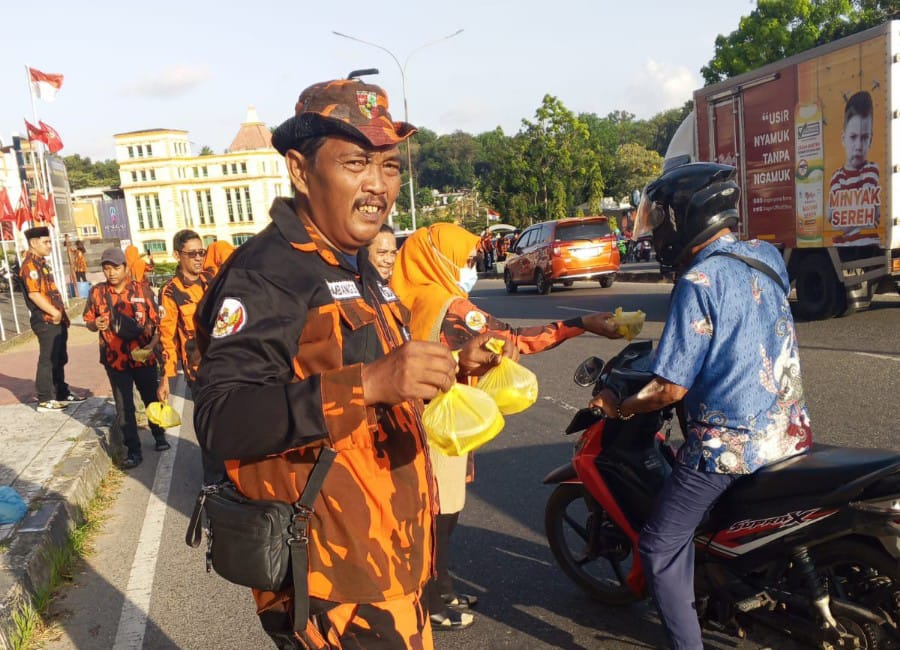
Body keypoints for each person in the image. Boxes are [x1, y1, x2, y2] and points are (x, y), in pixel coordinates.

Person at [192, 78, 501, 649]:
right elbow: (221, 417)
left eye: (389, 166)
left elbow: (370, 375)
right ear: (300, 169)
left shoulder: (353, 261)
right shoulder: (269, 272)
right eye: (357, 162)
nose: (378, 186)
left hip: (390, 556)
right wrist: (373, 382)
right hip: (331, 579)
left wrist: (448, 368)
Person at [588, 162, 813, 650]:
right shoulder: (765, 255)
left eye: (662, 222)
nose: (658, 234)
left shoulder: (697, 283)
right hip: (789, 429)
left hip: (727, 448)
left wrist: (621, 406)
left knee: (659, 545)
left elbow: (668, 391)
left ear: (685, 218)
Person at [391, 222, 623, 631]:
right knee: (442, 515)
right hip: (443, 424)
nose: (468, 268)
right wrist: (581, 323)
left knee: (429, 513)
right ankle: (434, 599)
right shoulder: (452, 306)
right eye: (463, 259)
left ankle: (440, 588)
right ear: (438, 257)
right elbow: (512, 339)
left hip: (414, 417)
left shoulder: (407, 298)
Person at [83, 247, 169, 469]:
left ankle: (159, 436)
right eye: (106, 268)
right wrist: (96, 325)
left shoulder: (142, 290)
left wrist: (151, 347)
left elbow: (157, 324)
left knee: (151, 398)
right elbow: (89, 321)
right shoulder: (97, 293)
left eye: (115, 267)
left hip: (143, 357)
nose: (110, 273)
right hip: (115, 360)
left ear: (125, 268)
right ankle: (133, 450)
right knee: (124, 407)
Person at [157, 229, 223, 484]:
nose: (198, 258)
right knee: (209, 431)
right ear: (177, 255)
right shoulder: (171, 292)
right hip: (199, 373)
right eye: (192, 253)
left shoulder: (212, 279)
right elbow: (167, 337)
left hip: (226, 365)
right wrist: (166, 377)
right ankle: (214, 486)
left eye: (201, 252)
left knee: (231, 425)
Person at [19, 226, 85, 412]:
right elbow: (34, 294)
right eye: (45, 242)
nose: (49, 245)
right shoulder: (30, 266)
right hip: (45, 319)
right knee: (47, 358)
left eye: (49, 241)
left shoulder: (41, 263)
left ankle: (62, 392)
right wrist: (53, 312)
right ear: (33, 243)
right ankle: (45, 398)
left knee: (59, 357)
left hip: (56, 319)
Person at [828, 90, 881, 244]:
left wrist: (846, 221)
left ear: (870, 140)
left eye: (864, 138)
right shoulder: (837, 177)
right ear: (843, 139)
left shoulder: (871, 170)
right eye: (853, 137)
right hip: (844, 245)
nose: (858, 146)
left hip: (867, 243)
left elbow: (872, 212)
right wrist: (860, 219)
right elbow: (835, 222)